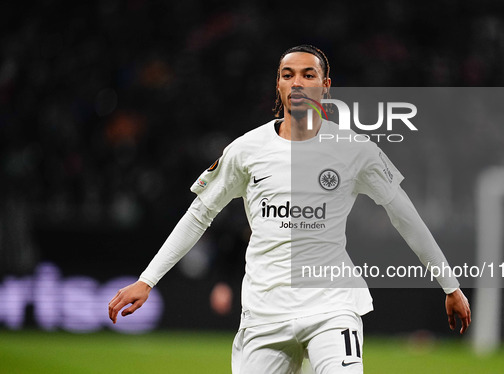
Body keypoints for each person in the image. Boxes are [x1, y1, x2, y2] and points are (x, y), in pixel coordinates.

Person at [108, 44, 471, 373]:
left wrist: (449, 285)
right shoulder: (246, 150)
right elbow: (199, 214)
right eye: (288, 75)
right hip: (264, 313)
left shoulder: (355, 150)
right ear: (278, 86)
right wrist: (147, 280)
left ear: (325, 86)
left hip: (332, 306)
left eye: (308, 74)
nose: (297, 82)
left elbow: (404, 215)